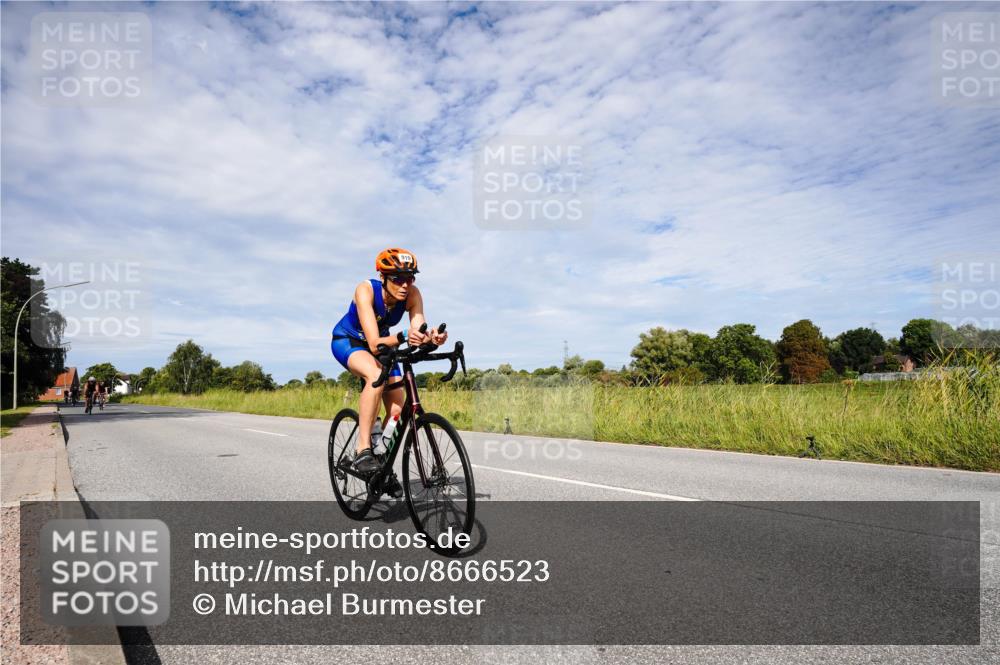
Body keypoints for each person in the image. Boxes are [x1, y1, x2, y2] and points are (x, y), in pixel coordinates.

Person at [331, 248, 447, 478]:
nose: (405, 285)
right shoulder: (366, 290)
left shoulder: (413, 295)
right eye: (398, 279)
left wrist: (431, 337)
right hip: (350, 341)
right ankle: (363, 449)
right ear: (383, 277)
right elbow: (374, 344)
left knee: (396, 409)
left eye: (410, 278)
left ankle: (380, 464)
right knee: (374, 376)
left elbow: (419, 328)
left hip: (386, 345)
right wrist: (405, 335)